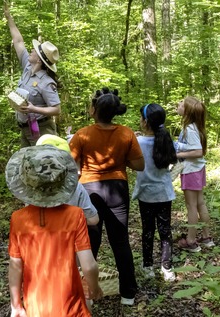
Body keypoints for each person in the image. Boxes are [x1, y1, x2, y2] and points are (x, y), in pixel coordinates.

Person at [6, 145, 103, 317]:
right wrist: (94, 288)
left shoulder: (18, 219)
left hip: (35, 304)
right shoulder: (75, 215)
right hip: (70, 304)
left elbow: (15, 266)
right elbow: (88, 265)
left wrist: (16, 304)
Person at [69, 88, 144, 306]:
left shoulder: (82, 134)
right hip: (117, 188)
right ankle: (128, 294)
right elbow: (140, 165)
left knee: (88, 242)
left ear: (94, 110)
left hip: (88, 191)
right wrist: (121, 162)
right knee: (120, 241)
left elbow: (68, 164)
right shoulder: (126, 133)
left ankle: (85, 292)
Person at [4, 2, 61, 147]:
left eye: (35, 50)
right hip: (25, 128)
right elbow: (18, 40)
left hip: (42, 130)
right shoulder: (27, 66)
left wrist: (33, 109)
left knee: (42, 167)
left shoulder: (46, 82)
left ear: (40, 60)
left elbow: (56, 109)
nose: (31, 50)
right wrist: (9, 17)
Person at [132, 104, 177, 282]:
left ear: (145, 122)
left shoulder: (138, 143)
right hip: (164, 193)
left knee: (148, 230)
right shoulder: (166, 140)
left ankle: (148, 265)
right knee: (165, 231)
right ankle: (167, 268)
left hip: (146, 195)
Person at [175, 97, 214, 252]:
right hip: (198, 169)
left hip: (191, 170)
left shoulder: (189, 129)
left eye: (181, 104)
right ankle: (206, 237)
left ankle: (191, 241)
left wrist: (176, 155)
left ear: (187, 111)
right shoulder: (195, 127)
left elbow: (198, 151)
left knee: (191, 206)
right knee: (200, 204)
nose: (178, 105)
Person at [36, 134, 99, 226]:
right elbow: (93, 220)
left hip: (39, 238)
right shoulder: (75, 186)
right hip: (69, 237)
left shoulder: (31, 187)